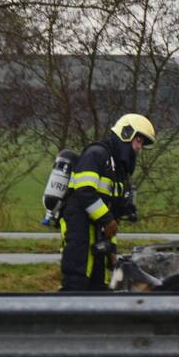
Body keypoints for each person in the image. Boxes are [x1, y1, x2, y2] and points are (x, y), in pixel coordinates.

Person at [59, 113, 155, 291]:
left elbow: (114, 216)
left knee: (99, 287)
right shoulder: (96, 154)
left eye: (142, 144)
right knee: (76, 282)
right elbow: (84, 191)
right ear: (126, 133)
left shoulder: (118, 170)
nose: (139, 148)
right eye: (138, 141)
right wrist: (106, 219)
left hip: (98, 232)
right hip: (79, 226)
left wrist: (112, 251)